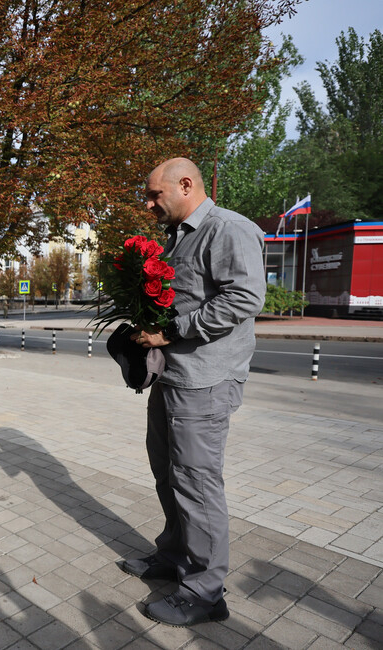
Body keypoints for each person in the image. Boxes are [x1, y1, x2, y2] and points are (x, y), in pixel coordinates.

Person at [120, 157, 266, 627]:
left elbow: (244, 298)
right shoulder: (178, 235)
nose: (147, 203)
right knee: (168, 473)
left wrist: (173, 331)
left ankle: (205, 591)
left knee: (197, 485)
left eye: (153, 194)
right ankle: (173, 556)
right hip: (174, 378)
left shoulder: (228, 229)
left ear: (185, 185)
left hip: (204, 381)